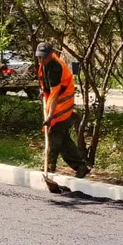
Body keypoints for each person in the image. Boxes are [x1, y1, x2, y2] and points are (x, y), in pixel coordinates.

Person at [36, 42, 91, 178]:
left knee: (54, 135)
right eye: (39, 57)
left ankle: (48, 168)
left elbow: (55, 94)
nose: (41, 60)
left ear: (50, 55)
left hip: (62, 105)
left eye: (44, 57)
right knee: (63, 140)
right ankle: (81, 166)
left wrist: (50, 117)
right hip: (54, 103)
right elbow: (47, 86)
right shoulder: (44, 65)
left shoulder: (55, 67)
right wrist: (43, 91)